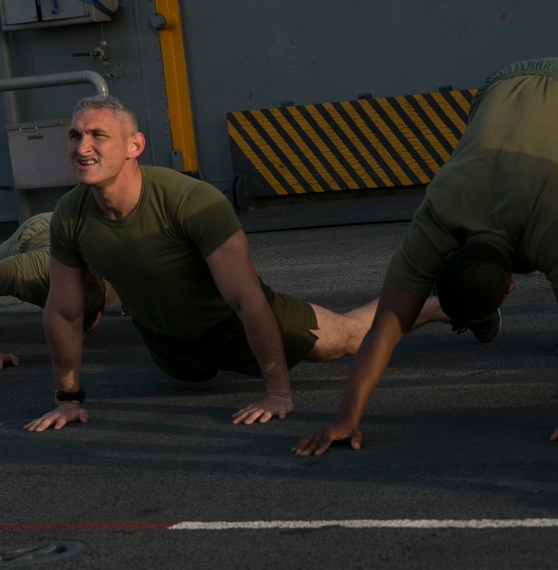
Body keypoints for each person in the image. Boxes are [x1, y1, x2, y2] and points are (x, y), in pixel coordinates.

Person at [294, 57, 558, 458]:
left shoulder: (542, 215)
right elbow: (385, 325)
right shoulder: (436, 215)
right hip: (498, 88)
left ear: (511, 288)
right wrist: (345, 419)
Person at [24, 95, 452, 432]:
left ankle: (435, 304)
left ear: (134, 145)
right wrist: (68, 400)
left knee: (349, 339)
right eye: (75, 136)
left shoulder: (192, 202)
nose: (82, 148)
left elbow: (247, 300)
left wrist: (278, 393)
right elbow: (64, 311)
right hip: (168, 343)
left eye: (97, 135)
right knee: (188, 377)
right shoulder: (70, 214)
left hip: (235, 322)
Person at [1, 212, 112, 335]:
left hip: (74, 228)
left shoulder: (115, 271)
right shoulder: (29, 271)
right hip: (35, 230)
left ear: (105, 295)